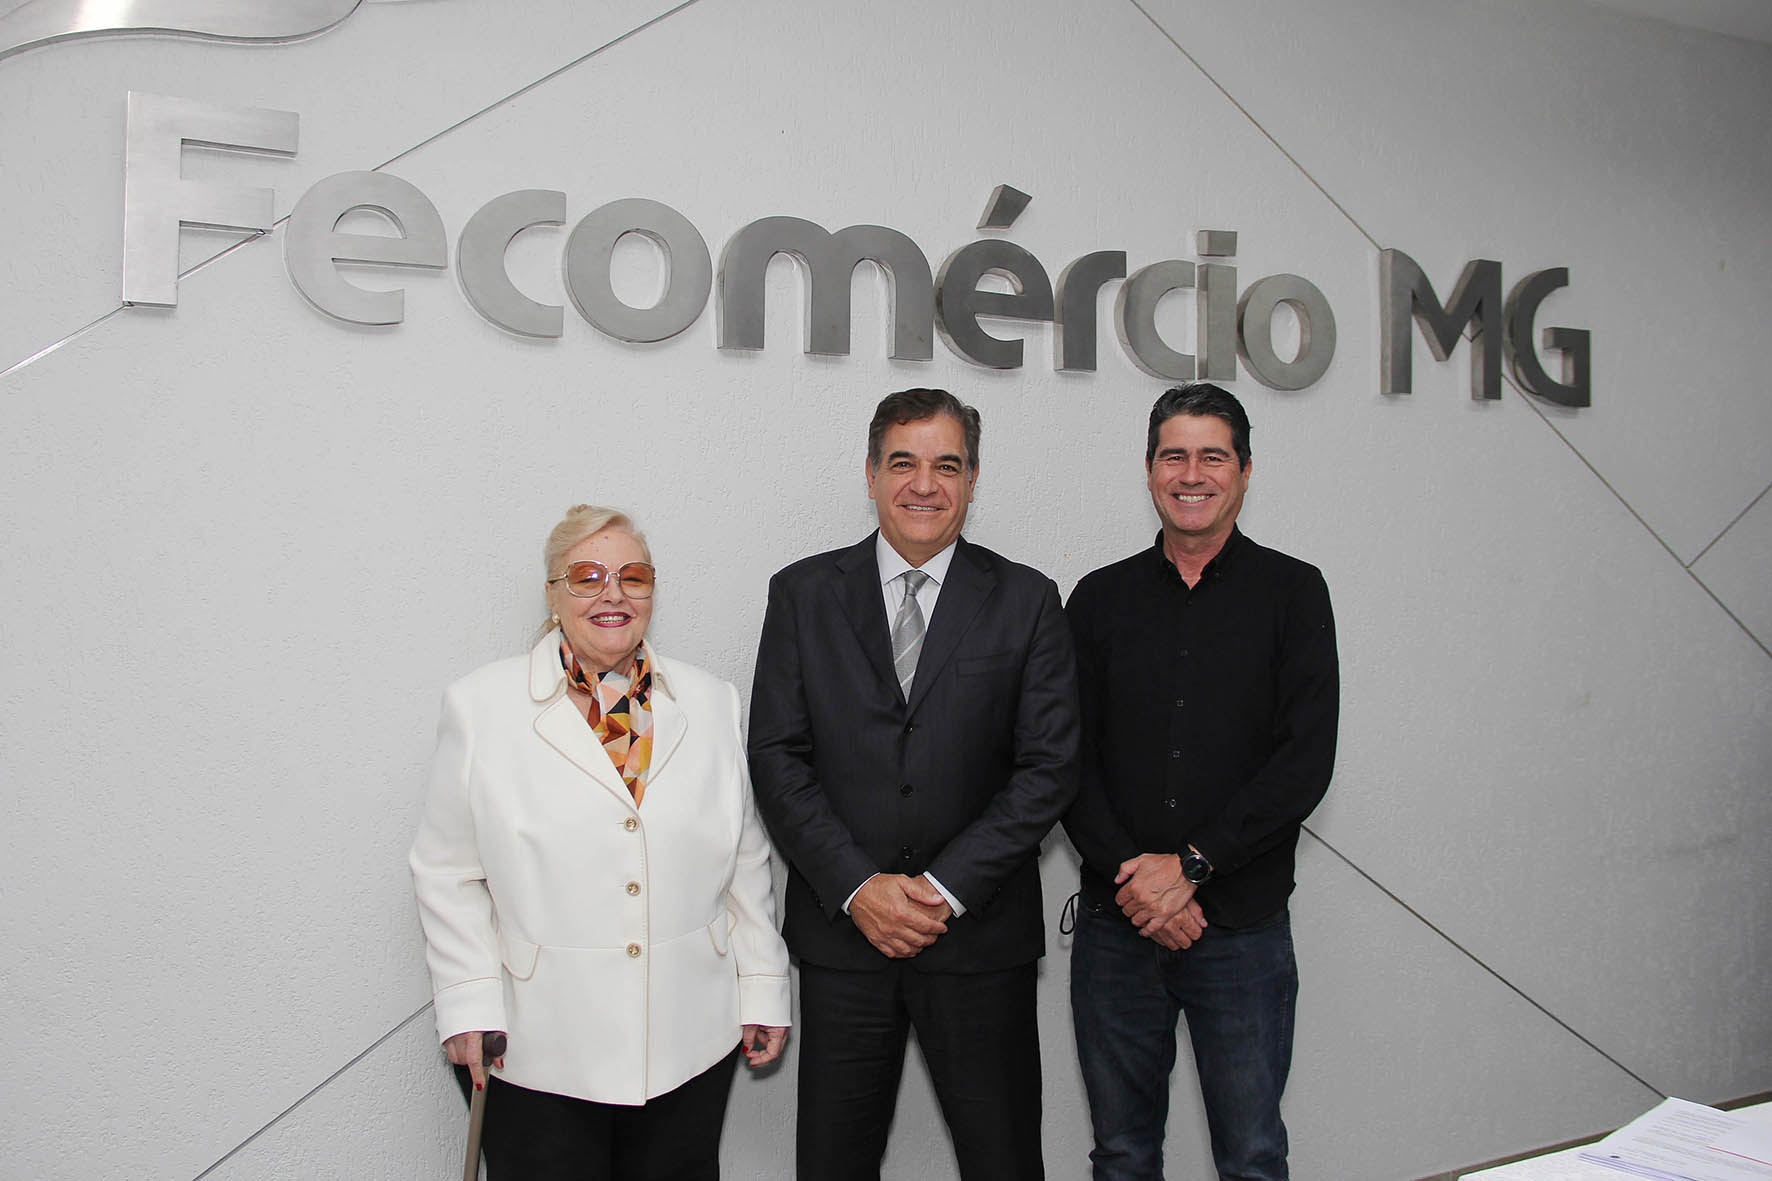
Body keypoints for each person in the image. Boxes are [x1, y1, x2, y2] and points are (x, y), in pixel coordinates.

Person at [747, 388, 1080, 1181]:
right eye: (903, 463)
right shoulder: (802, 593)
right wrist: (859, 887)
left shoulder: (1028, 599)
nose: (924, 484)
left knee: (1004, 1161)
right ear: (870, 474)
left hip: (979, 941)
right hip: (846, 939)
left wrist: (941, 889)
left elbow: (1049, 767)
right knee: (832, 1164)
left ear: (972, 480)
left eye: (947, 465)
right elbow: (777, 755)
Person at [409, 505, 790, 1180]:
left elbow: (744, 859)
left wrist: (762, 986)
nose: (612, 593)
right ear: (553, 594)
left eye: (632, 576)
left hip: (688, 1037)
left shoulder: (710, 701)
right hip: (537, 1043)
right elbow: (447, 871)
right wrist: (468, 1003)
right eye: (586, 576)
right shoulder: (482, 707)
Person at [1062, 383, 1339, 1181]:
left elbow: (1303, 762)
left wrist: (1189, 867)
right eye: (1174, 455)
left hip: (1242, 931)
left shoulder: (1295, 593)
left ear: (1245, 470)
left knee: (1252, 1155)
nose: (1192, 473)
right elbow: (1066, 759)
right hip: (1118, 929)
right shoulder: (1098, 598)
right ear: (1150, 469)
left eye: (1212, 456)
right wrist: (1139, 883)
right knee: (1121, 1154)